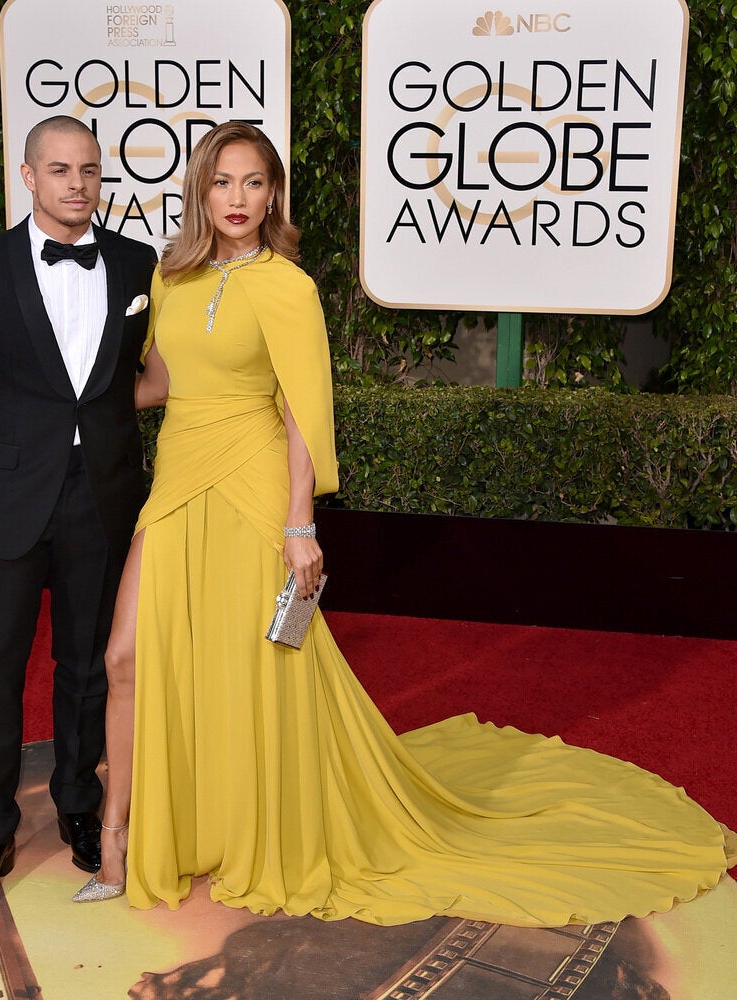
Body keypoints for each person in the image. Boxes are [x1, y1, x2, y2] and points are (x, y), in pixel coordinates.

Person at [73, 121, 735, 925]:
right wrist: (64, 398)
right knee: (127, 657)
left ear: (273, 192)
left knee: (257, 668)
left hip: (251, 486)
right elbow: (160, 381)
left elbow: (300, 413)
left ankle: (230, 829)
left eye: (253, 183)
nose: (237, 199)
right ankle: (118, 844)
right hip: (177, 482)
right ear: (199, 191)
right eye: (222, 182)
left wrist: (297, 524)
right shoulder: (172, 280)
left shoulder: (289, 287)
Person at [0, 115, 157, 913]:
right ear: (27, 177)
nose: (76, 183)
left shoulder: (135, 263)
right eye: (58, 169)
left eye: (88, 169)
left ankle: (81, 810)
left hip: (104, 497)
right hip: (1, 501)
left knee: (89, 668)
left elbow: (137, 380)